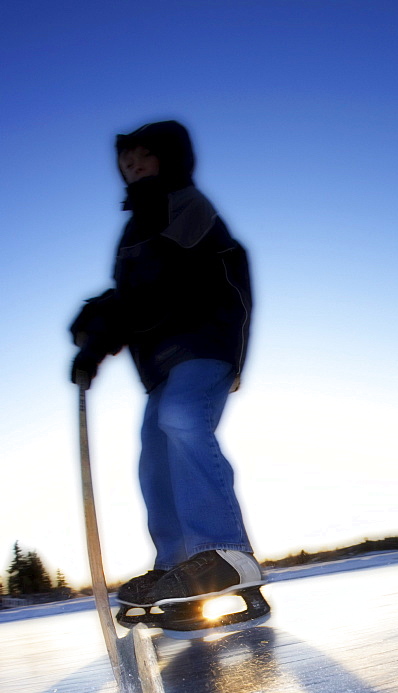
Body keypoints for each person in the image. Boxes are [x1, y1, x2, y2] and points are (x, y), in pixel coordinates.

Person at [70, 120, 264, 619]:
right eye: (125, 164)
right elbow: (135, 299)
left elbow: (183, 278)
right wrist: (96, 337)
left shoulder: (184, 204)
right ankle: (177, 566)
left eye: (142, 158)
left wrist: (110, 315)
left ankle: (224, 552)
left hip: (204, 343)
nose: (132, 168)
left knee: (180, 417)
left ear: (167, 159)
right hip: (160, 364)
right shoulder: (134, 230)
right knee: (154, 453)